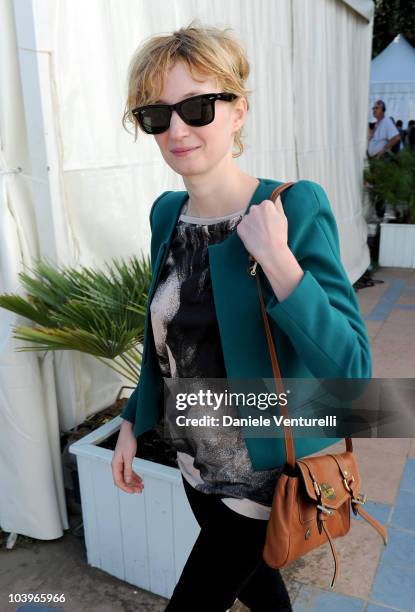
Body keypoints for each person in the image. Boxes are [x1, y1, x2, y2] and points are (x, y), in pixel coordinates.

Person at [111, 22, 371, 612]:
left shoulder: (293, 206)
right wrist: (133, 418)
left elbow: (352, 371)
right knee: (262, 588)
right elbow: (164, 342)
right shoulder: (166, 214)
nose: (177, 129)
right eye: (157, 114)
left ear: (238, 111)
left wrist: (279, 261)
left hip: (263, 478)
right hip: (193, 460)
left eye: (198, 107)